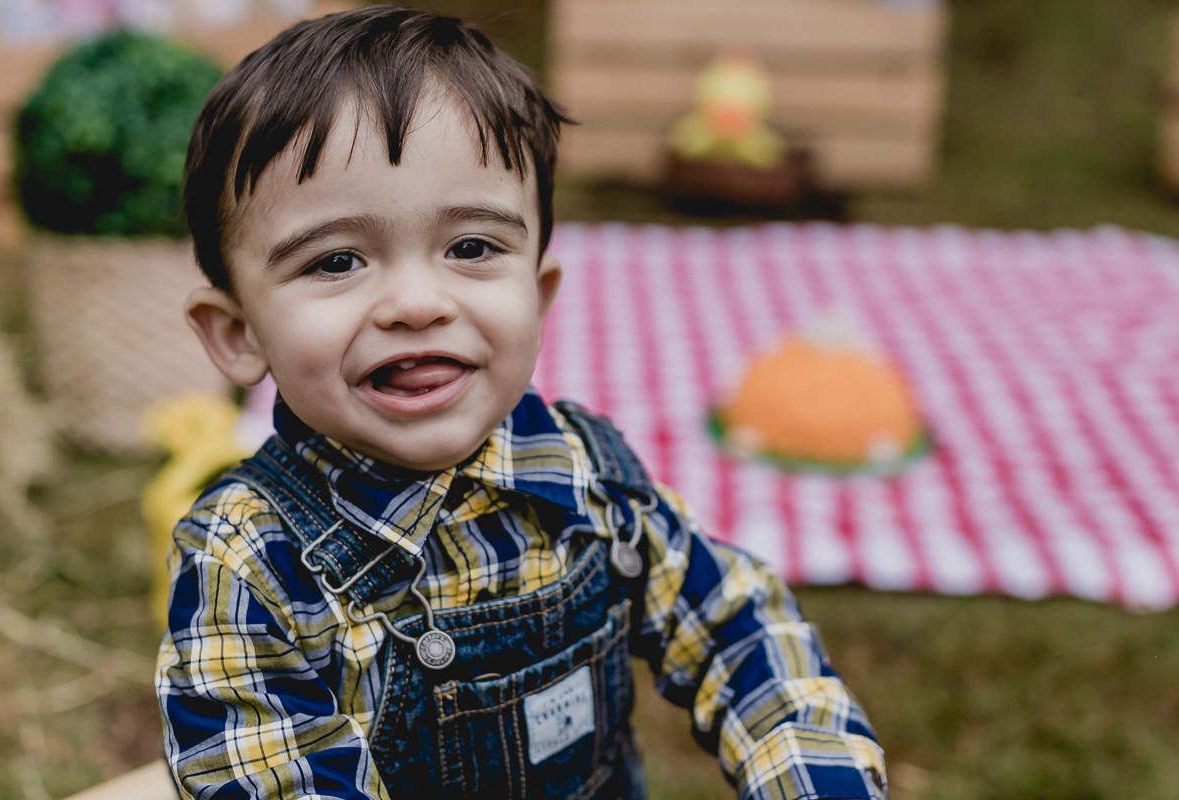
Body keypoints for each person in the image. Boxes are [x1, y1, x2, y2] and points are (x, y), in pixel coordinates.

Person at [156, 6, 887, 799]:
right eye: (337, 260)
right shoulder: (250, 560)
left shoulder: (585, 473)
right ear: (236, 334)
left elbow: (739, 628)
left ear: (537, 297)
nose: (415, 303)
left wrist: (815, 774)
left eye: (471, 248)